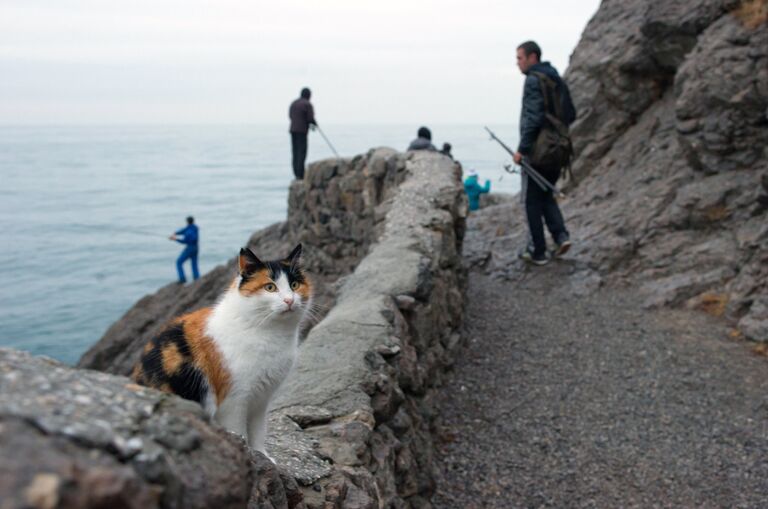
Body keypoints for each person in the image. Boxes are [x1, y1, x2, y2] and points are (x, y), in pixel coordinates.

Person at [513, 40, 576, 266]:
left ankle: (537, 251)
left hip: (539, 150)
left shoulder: (533, 80)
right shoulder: (555, 78)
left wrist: (522, 149)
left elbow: (533, 117)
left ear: (532, 58)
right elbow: (571, 114)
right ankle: (561, 237)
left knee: (531, 201)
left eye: (520, 58)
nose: (517, 63)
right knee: (546, 193)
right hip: (559, 147)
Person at [289, 87, 317, 179]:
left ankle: (296, 173)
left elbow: (290, 116)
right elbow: (310, 118)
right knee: (302, 152)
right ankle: (301, 174)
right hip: (302, 131)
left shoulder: (294, 103)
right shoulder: (307, 104)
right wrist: (314, 124)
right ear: (308, 95)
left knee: (295, 152)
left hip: (293, 130)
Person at [170, 216, 199, 283]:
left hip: (190, 248)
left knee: (179, 262)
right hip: (196, 248)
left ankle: (182, 278)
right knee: (194, 264)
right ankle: (196, 278)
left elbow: (184, 241)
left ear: (187, 222)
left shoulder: (188, 232)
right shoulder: (195, 228)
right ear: (193, 221)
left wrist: (175, 239)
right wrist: (176, 233)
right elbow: (183, 230)